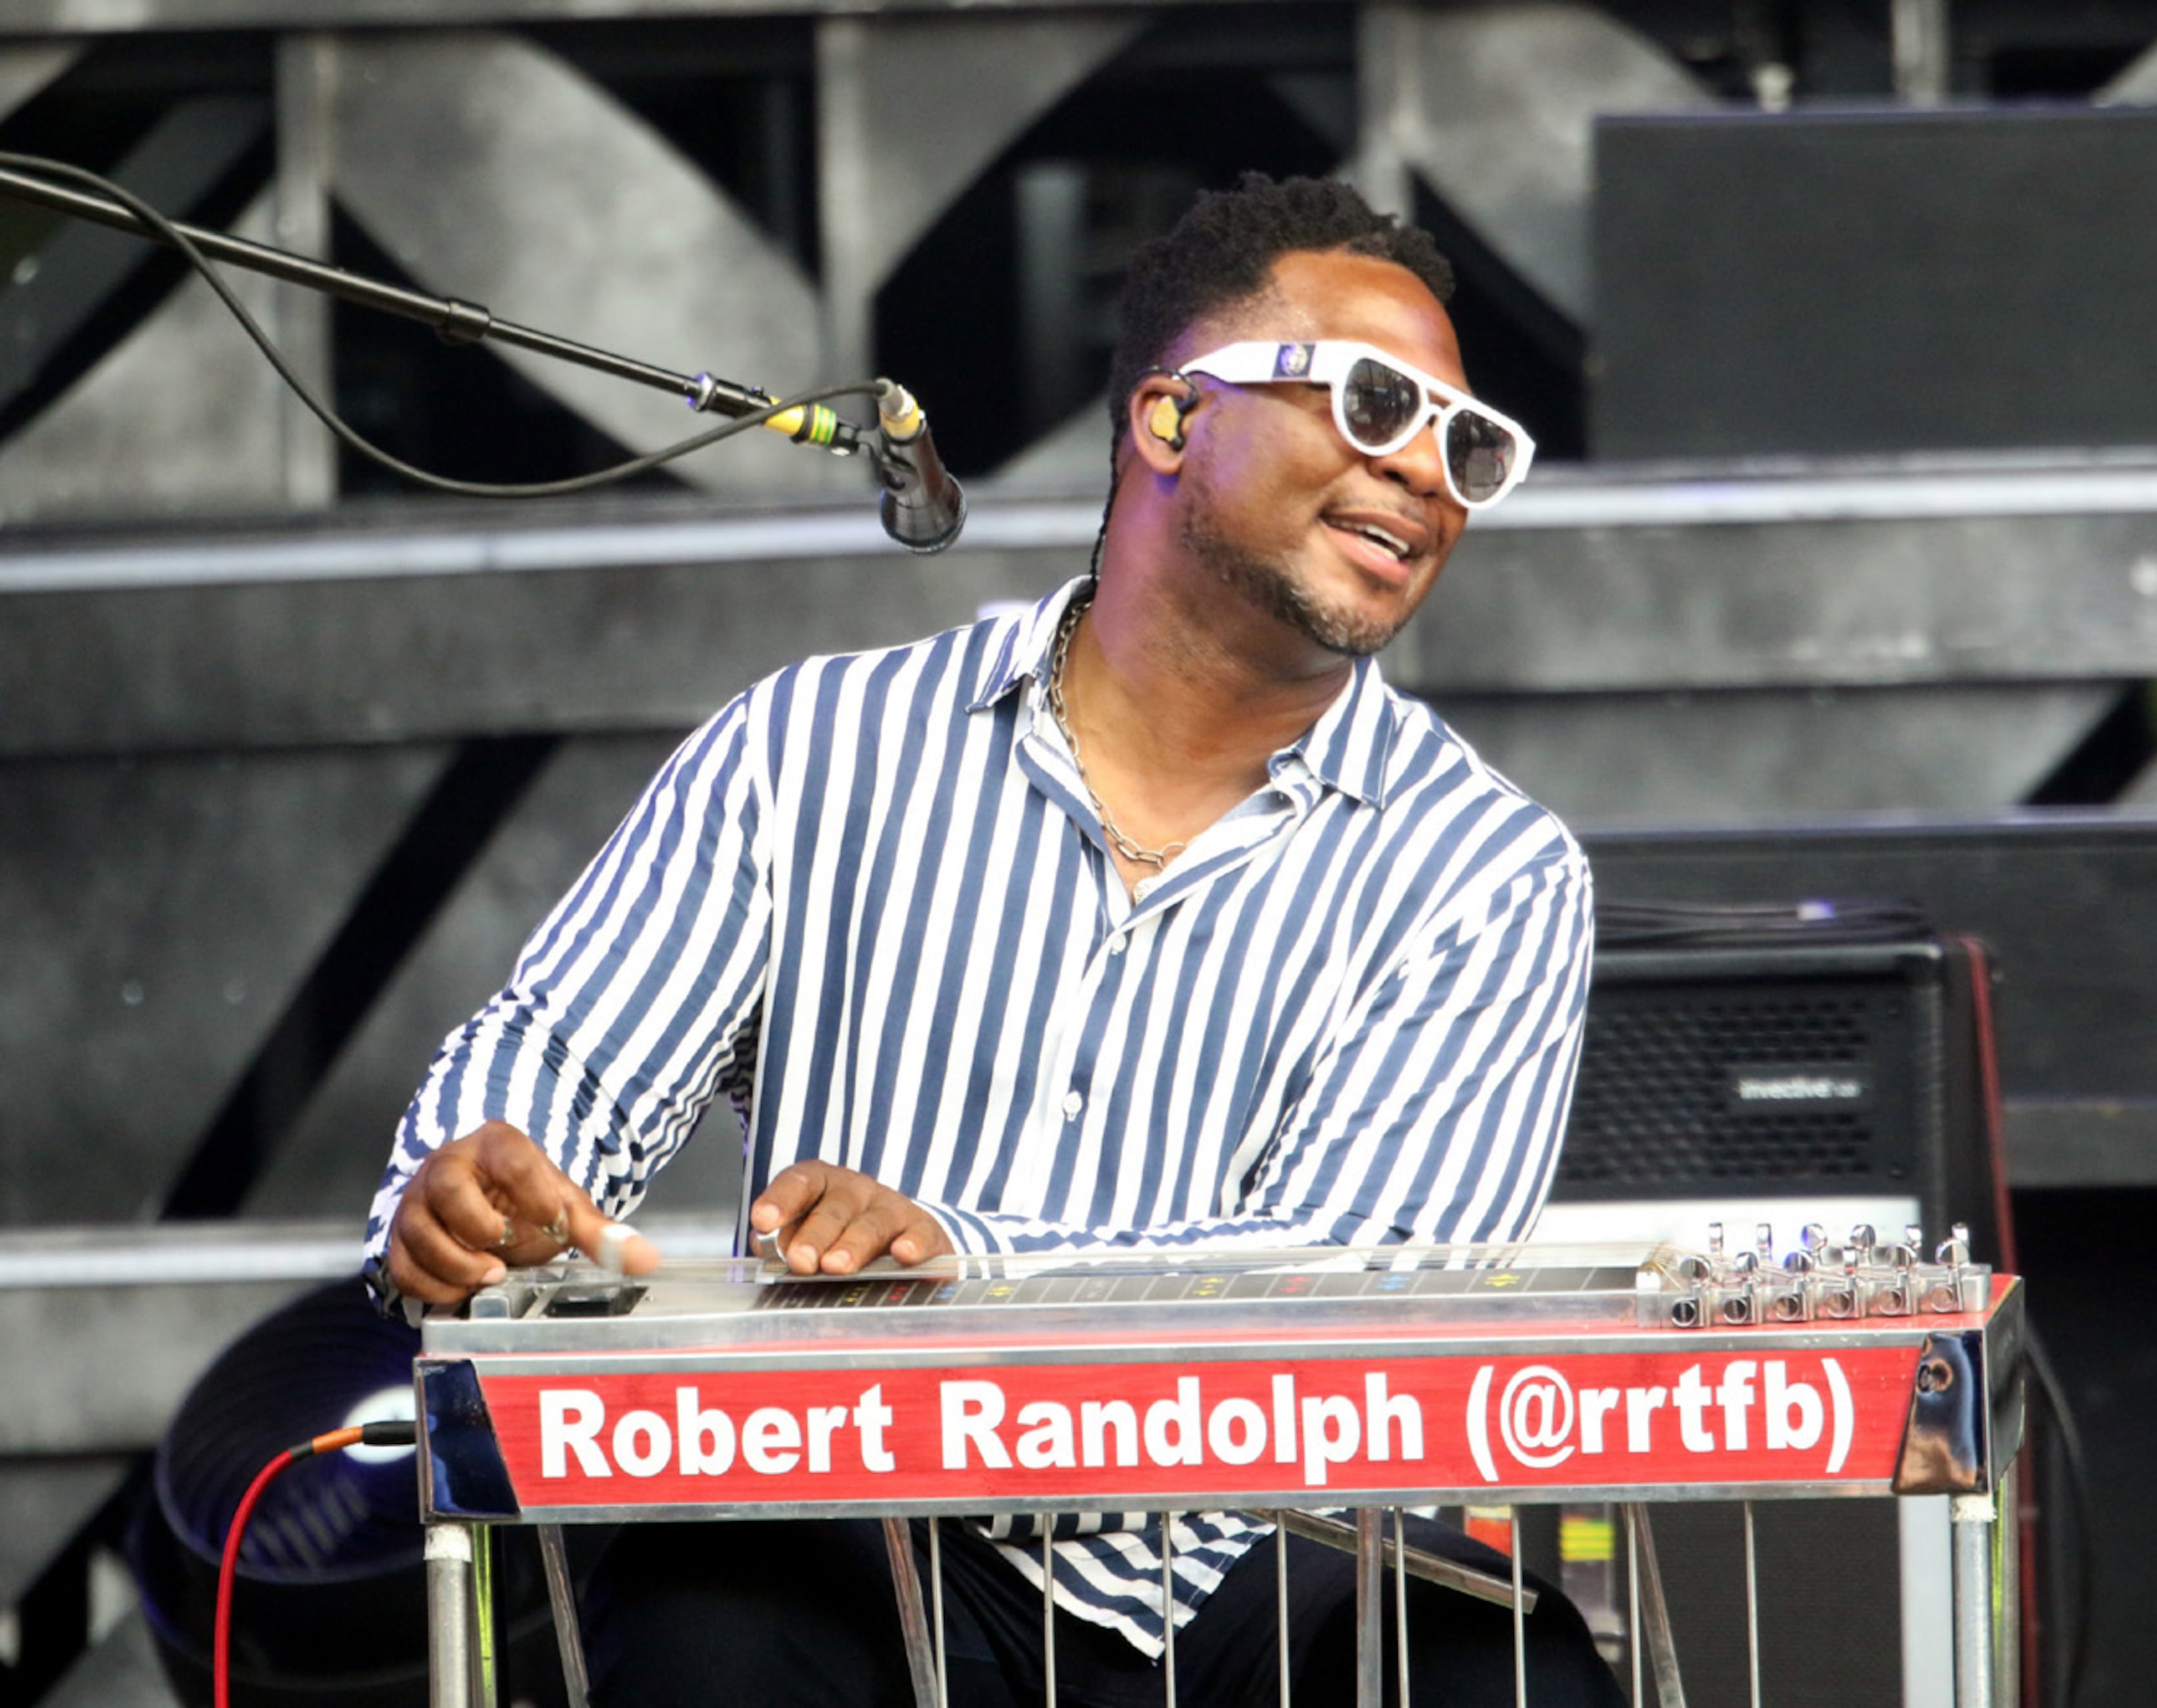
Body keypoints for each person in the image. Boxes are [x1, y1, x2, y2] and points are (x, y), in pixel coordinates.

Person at [364, 173, 1613, 1707]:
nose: (1428, 472)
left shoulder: (1488, 868)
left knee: (1501, 1672)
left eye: (1468, 443)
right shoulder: (815, 745)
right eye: (1372, 403)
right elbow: (561, 1059)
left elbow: (1370, 1275)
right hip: (840, 1523)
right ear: (1169, 419)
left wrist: (972, 1267)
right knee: (701, 1622)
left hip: (1247, 1563)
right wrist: (483, 1180)